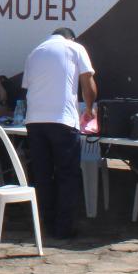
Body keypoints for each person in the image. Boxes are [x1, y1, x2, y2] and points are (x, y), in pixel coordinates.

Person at [21, 28, 98, 240]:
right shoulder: (75, 48)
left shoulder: (35, 52)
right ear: (70, 37)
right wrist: (89, 109)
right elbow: (88, 84)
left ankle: (45, 224)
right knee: (67, 174)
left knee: (42, 174)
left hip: (34, 121)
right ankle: (64, 227)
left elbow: (28, 86)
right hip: (63, 121)